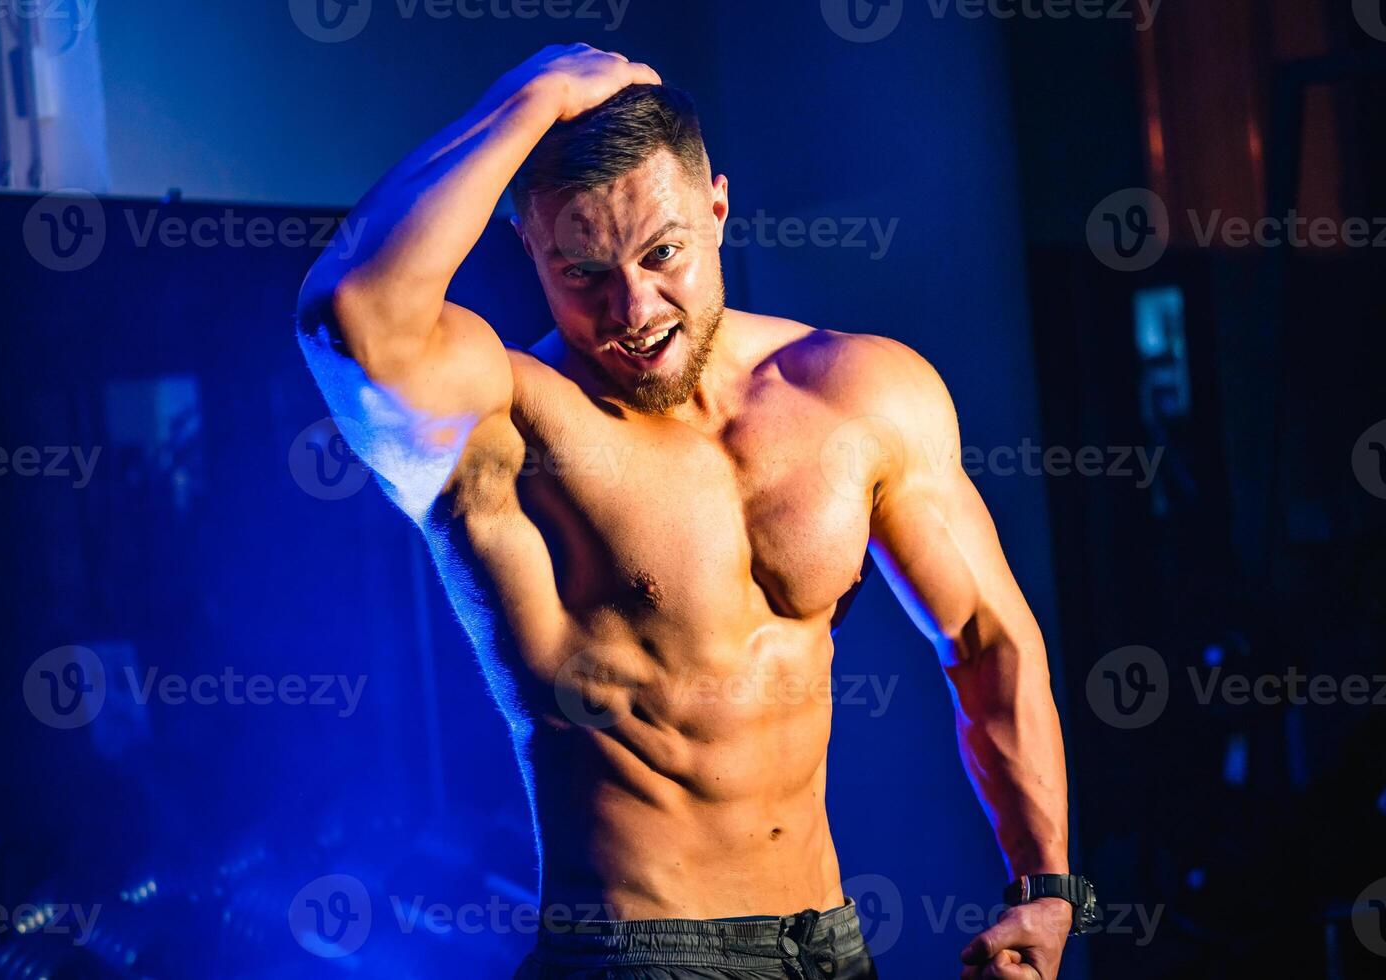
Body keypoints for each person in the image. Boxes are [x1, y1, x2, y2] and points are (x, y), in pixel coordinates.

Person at [296, 43, 1082, 979]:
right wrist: (531, 95)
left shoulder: (860, 393)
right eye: (582, 269)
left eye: (662, 253)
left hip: (826, 945)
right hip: (636, 954)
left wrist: (1044, 888)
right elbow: (351, 311)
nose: (633, 307)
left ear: (716, 208)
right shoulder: (504, 424)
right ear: (531, 253)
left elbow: (987, 636)